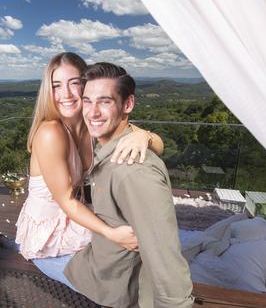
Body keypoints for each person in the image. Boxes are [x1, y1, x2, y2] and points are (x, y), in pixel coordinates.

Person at [14, 53, 164, 283]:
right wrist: (111, 234)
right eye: (56, 86)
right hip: (50, 235)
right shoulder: (50, 133)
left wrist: (143, 137)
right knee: (130, 258)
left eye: (74, 83)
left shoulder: (91, 124)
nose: (65, 94)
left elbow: (160, 147)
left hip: (76, 216)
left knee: (143, 242)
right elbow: (66, 200)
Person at [61, 62, 193, 307]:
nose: (92, 112)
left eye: (105, 101)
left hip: (115, 289)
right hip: (98, 266)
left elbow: (166, 262)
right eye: (87, 101)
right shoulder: (105, 145)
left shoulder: (134, 173)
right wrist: (146, 135)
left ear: (128, 104)